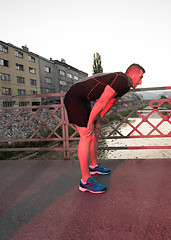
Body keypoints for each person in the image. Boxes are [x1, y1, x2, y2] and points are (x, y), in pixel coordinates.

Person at [64, 63, 145, 194]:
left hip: (83, 100)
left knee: (95, 132)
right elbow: (101, 101)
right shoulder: (122, 79)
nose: (141, 82)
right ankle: (85, 181)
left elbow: (109, 102)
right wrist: (90, 122)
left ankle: (94, 166)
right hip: (74, 97)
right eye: (140, 77)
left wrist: (98, 122)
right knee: (86, 135)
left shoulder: (125, 86)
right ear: (133, 74)